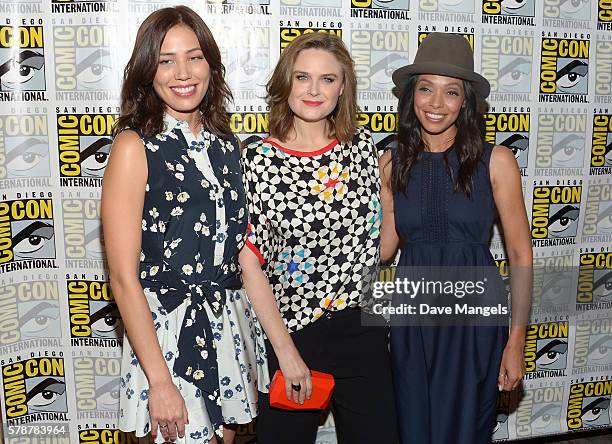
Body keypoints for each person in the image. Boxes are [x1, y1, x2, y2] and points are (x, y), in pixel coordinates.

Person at [101, 6, 268, 444]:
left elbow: (236, 256)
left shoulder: (227, 146)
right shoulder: (133, 147)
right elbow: (121, 277)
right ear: (147, 72)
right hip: (165, 334)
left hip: (227, 325)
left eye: (194, 57)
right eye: (165, 60)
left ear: (210, 64)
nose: (183, 72)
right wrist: (159, 381)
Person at [239, 32, 398, 444]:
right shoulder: (257, 158)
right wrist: (288, 354)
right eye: (302, 77)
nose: (314, 90)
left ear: (343, 88)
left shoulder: (362, 147)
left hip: (362, 331)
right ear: (284, 83)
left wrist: (389, 195)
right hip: (293, 336)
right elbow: (249, 261)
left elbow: (382, 251)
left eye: (328, 79)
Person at [381, 33, 532, 444]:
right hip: (413, 316)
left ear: (466, 101)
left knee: (465, 429)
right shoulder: (391, 161)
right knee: (413, 428)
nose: (435, 103)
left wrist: (516, 341)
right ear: (412, 95)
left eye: (451, 92)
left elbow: (520, 253)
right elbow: (385, 247)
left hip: (473, 319)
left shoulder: (495, 160)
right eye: (426, 88)